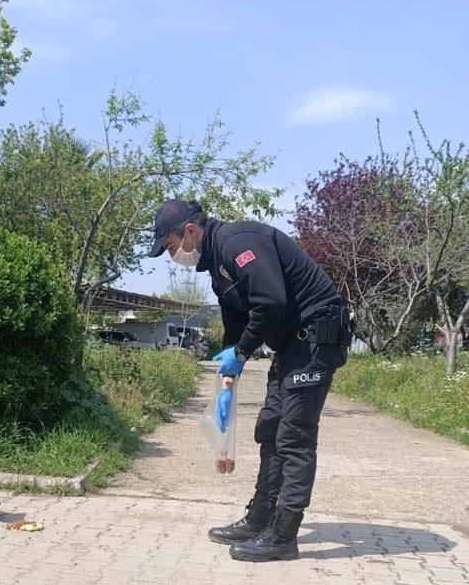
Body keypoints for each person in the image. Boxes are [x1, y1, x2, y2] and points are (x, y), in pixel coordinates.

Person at [149, 199, 352, 562]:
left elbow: (270, 302)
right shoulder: (216, 265)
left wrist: (242, 353)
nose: (171, 255)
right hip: (292, 346)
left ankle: (284, 535)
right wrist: (229, 374)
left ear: (190, 231)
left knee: (294, 437)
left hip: (316, 339)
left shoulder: (237, 242)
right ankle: (261, 518)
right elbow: (236, 325)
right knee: (271, 429)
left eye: (170, 246)